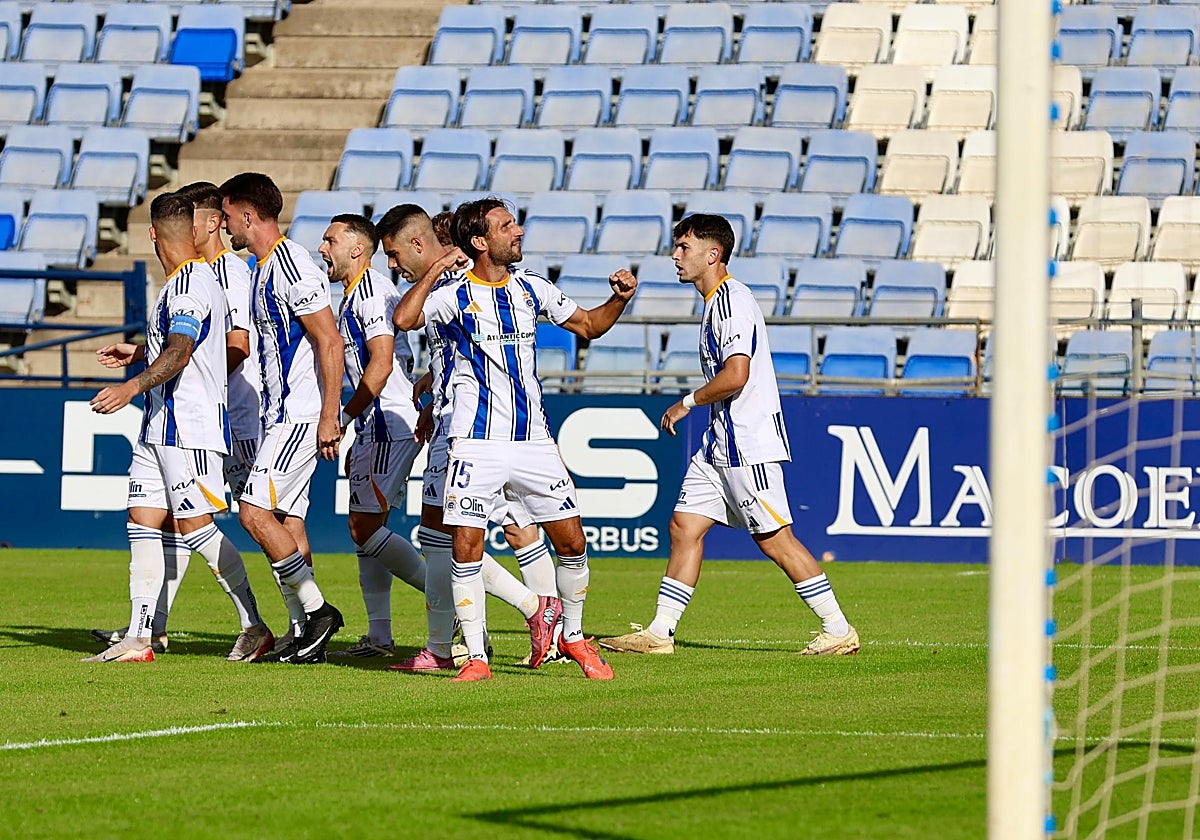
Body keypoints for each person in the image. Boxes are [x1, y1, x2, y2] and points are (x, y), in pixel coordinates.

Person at [393, 197, 638, 682]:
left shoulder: (532, 289)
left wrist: (619, 300)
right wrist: (439, 266)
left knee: (572, 541)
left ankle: (572, 634)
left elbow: (589, 325)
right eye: (507, 226)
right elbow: (404, 320)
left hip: (533, 442)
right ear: (481, 241)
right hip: (474, 443)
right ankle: (477, 658)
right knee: (464, 544)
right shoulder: (452, 296)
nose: (518, 231)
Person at [598, 214, 860, 657]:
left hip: (747, 443)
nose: (675, 256)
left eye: (684, 247)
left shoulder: (732, 301)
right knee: (684, 526)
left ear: (712, 254)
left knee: (774, 540)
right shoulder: (714, 302)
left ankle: (838, 628)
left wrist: (687, 402)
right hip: (720, 442)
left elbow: (737, 375)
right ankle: (660, 633)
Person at [88, 183, 275, 661]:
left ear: (153, 233)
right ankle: (140, 636)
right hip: (159, 424)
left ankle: (254, 623)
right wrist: (138, 354)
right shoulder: (180, 281)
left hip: (187, 425)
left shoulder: (192, 283)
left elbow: (182, 350)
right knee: (143, 520)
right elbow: (177, 346)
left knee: (195, 527)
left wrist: (131, 385)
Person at [377, 204, 564, 673]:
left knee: (498, 530)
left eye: (397, 257)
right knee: (445, 536)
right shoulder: (445, 285)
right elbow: (456, 353)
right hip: (453, 423)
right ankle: (444, 645)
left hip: (483, 430)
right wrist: (430, 389)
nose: (394, 268)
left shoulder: (455, 280)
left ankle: (538, 616)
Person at [219, 172, 346, 664]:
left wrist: (329, 415)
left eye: (229, 217)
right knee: (288, 522)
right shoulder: (263, 268)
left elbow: (328, 340)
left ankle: (317, 611)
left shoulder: (292, 267)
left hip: (299, 413)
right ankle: (302, 629)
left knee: (252, 513)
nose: (228, 226)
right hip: (283, 413)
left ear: (249, 216)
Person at [317, 213, 428, 657]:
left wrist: (344, 417)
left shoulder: (373, 293)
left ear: (356, 249)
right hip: (373, 426)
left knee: (363, 528)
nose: (323, 249)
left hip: (388, 423)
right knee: (367, 529)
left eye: (330, 241)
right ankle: (380, 637)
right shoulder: (352, 296)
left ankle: (451, 607)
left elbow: (381, 364)